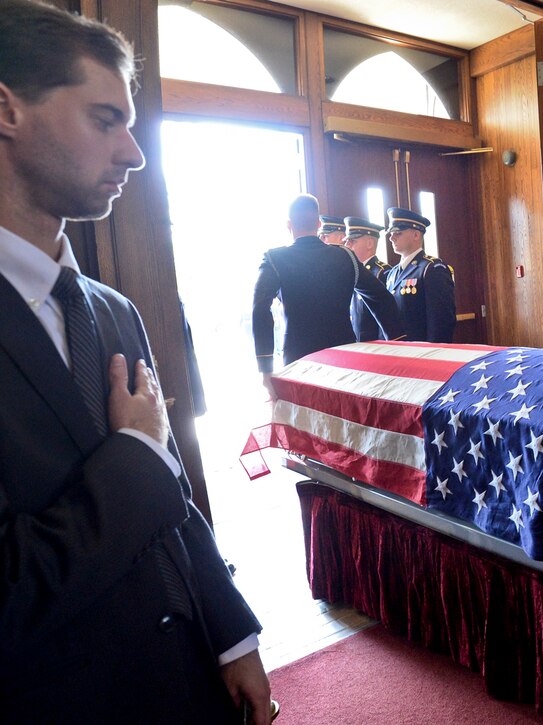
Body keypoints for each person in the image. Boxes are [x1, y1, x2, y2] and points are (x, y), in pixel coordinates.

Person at [0, 1, 272, 722]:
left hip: (188, 681)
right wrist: (131, 455)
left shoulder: (115, 309)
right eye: (104, 119)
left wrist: (231, 633)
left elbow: (174, 494)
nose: (134, 152)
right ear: (6, 109)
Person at [253, 195, 358, 394]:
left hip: (298, 357)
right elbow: (380, 298)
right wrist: (395, 348)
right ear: (319, 224)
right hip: (344, 356)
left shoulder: (275, 259)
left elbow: (260, 307)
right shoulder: (345, 256)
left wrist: (266, 367)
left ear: (289, 224)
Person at [384, 206, 456, 342]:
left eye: (397, 233)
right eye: (391, 233)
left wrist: (434, 353)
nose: (391, 238)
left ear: (416, 235)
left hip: (421, 352)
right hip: (397, 350)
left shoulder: (431, 269)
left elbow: (441, 321)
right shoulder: (392, 273)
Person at [343, 216, 403, 342]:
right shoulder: (352, 272)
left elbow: (388, 315)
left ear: (369, 243)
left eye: (352, 241)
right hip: (358, 344)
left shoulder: (382, 272)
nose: (347, 245)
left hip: (376, 345)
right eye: (346, 241)